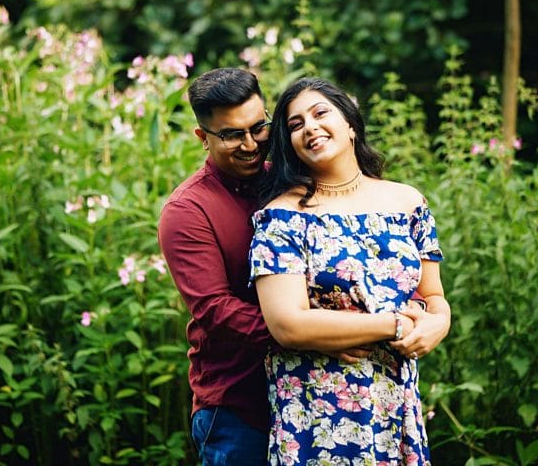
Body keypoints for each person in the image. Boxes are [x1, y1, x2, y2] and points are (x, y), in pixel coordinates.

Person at [249, 77, 451, 464]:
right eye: (295, 124)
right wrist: (393, 325)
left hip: (394, 398)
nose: (309, 126)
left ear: (351, 123)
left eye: (320, 112)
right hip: (317, 406)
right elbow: (287, 324)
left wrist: (437, 325)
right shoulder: (282, 217)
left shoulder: (407, 202)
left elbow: (434, 296)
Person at [158, 67, 274, 464]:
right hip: (236, 406)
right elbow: (215, 309)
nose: (250, 144)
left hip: (308, 390)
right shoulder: (187, 211)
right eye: (231, 135)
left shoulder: (287, 183)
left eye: (258, 128)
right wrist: (309, 333)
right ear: (203, 138)